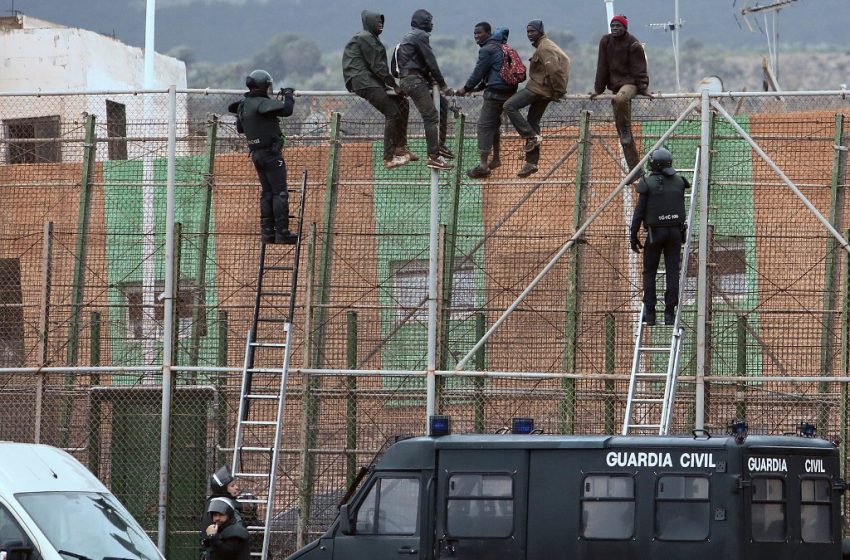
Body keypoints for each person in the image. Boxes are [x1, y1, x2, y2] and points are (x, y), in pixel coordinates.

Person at [227, 69, 298, 245]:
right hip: (271, 154)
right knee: (280, 193)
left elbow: (241, 129)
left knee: (267, 192)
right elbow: (287, 110)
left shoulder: (243, 106)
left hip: (256, 155)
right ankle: (282, 233)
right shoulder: (261, 104)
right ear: (264, 86)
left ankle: (267, 233)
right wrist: (289, 94)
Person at [342, 10, 415, 170]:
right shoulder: (365, 38)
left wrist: (394, 88)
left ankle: (400, 147)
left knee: (402, 103)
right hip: (363, 81)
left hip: (370, 80)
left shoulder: (370, 39)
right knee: (392, 112)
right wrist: (395, 86)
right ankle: (389, 157)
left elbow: (377, 69)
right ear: (369, 23)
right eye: (377, 22)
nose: (380, 24)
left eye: (382, 22)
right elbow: (378, 67)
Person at [629, 147, 690, 326]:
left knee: (650, 271)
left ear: (653, 164)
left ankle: (650, 312)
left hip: (655, 235)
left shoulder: (647, 183)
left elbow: (639, 213)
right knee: (672, 271)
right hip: (675, 233)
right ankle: (669, 312)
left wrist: (633, 235)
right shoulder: (679, 182)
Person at [503, 20, 570, 178]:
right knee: (533, 120)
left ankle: (530, 136)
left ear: (540, 31)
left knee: (509, 106)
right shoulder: (545, 45)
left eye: (532, 31)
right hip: (545, 90)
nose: (529, 34)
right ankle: (531, 163)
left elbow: (554, 70)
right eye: (528, 32)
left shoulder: (544, 47)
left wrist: (559, 91)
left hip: (538, 89)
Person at [591, 14, 650, 181]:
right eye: (613, 26)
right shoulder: (605, 41)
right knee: (625, 139)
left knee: (619, 100)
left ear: (625, 28)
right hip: (615, 85)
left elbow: (640, 69)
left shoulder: (633, 44)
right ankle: (635, 171)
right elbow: (602, 65)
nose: (615, 29)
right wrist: (598, 89)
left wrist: (643, 88)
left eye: (618, 26)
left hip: (631, 83)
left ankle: (625, 129)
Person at [396, 9, 455, 171]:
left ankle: (439, 144)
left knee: (442, 104)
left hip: (410, 80)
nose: (432, 23)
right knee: (430, 116)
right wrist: (443, 85)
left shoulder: (409, 37)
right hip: (415, 82)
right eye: (429, 20)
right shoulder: (420, 36)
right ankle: (433, 157)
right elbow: (431, 61)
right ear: (423, 22)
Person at [456, 23, 517, 179]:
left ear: (488, 33)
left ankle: (483, 165)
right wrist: (478, 87)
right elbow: (492, 72)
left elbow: (478, 72)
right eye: (474, 33)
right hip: (508, 92)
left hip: (495, 94)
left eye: (479, 33)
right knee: (494, 125)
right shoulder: (501, 47)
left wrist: (466, 88)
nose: (476, 36)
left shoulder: (487, 50)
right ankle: (495, 158)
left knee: (483, 126)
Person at [201, 466, 243, 531]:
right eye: (232, 486)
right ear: (223, 489)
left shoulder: (210, 501)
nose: (236, 487)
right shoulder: (227, 504)